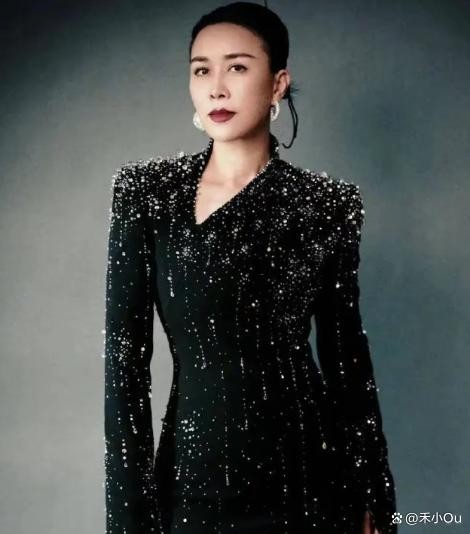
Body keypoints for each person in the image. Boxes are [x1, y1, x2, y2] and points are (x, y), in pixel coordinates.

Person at [103, 2, 397, 533]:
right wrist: (128, 520)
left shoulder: (326, 205)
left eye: (237, 67)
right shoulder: (147, 194)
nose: (217, 88)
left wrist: (375, 496)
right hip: (192, 481)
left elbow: (347, 364)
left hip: (309, 482)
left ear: (278, 83)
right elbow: (124, 371)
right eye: (201, 70)